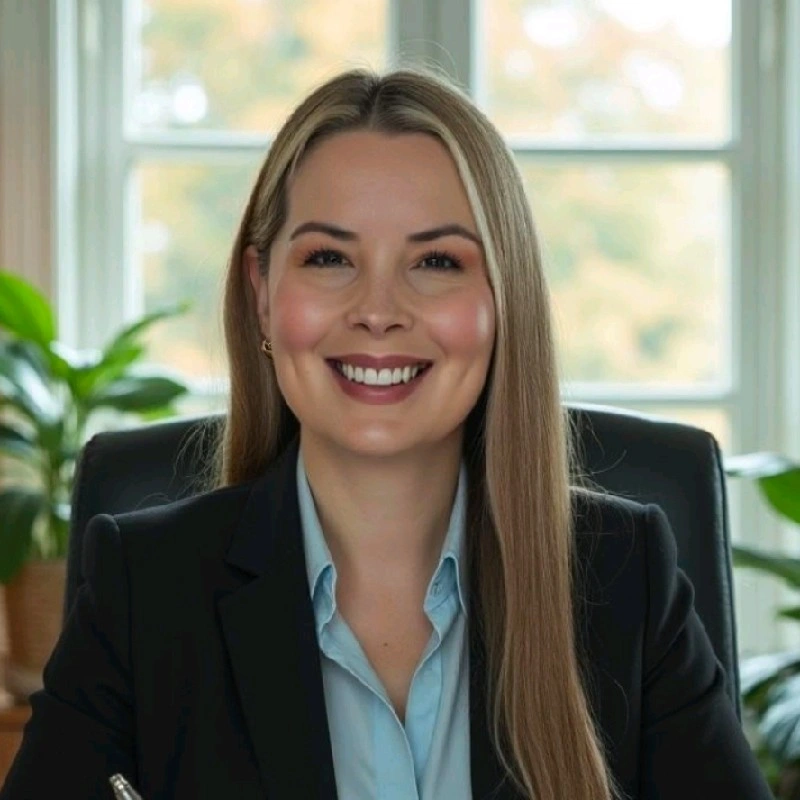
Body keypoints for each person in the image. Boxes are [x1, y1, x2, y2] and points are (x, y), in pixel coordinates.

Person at [0, 68, 771, 800]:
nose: (377, 310)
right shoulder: (145, 591)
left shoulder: (625, 576)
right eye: (329, 257)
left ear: (503, 300)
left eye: (435, 260)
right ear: (263, 294)